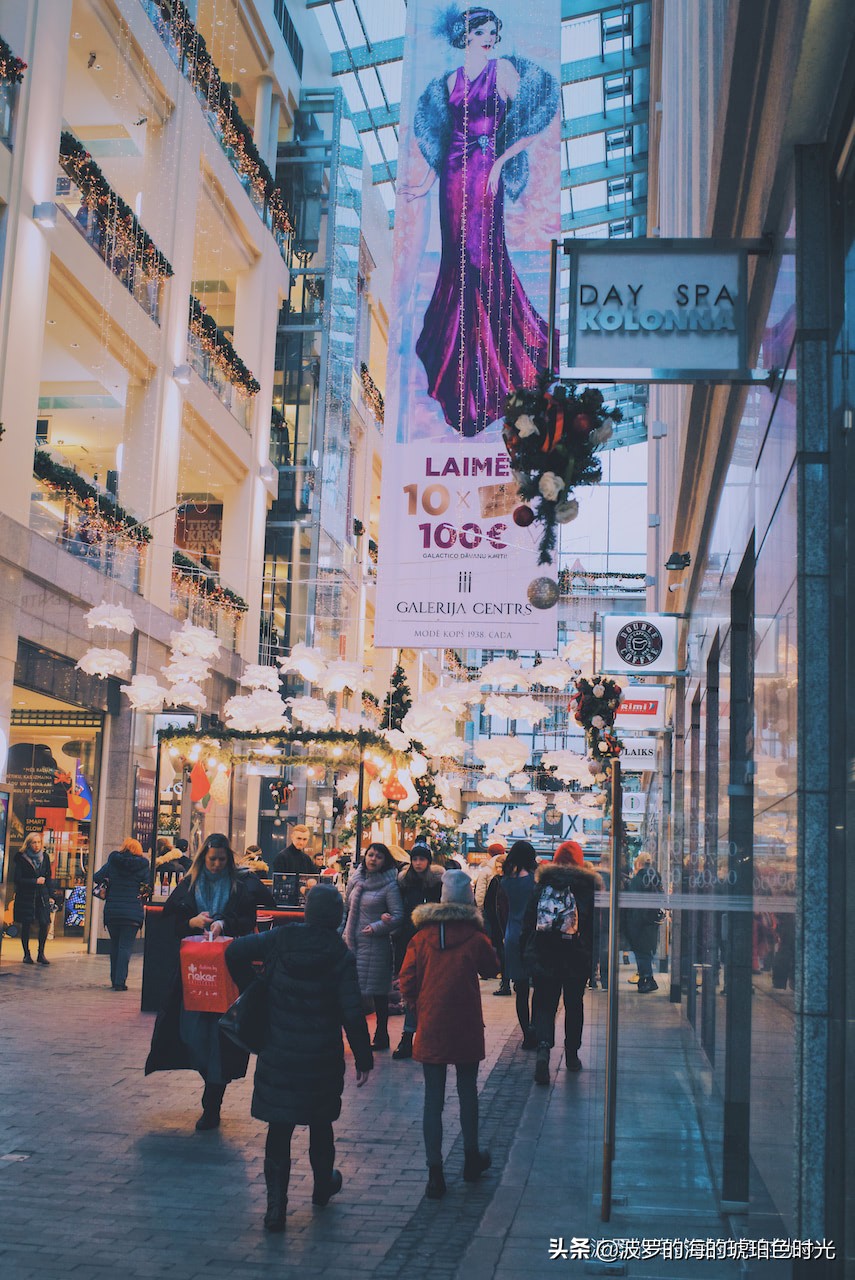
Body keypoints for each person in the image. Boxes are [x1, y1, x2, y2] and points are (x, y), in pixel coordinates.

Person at [401, 7, 559, 437]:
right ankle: (457, 359)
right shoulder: (449, 81)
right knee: (457, 256)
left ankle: (493, 364)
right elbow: (442, 139)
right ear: (466, 36)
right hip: (452, 177)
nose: (489, 38)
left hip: (486, 172)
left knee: (484, 256)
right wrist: (424, 183)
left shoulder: (503, 72)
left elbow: (531, 122)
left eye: (493, 32)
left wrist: (500, 162)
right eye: (482, 32)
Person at [226, 885, 373, 1232]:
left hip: (279, 1049)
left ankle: (276, 1206)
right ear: (337, 916)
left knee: (279, 1128)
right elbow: (353, 1012)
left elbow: (234, 951)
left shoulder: (281, 938)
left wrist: (255, 986)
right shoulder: (340, 954)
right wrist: (364, 1057)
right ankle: (323, 1186)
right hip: (321, 1053)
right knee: (321, 1124)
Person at [145, 833, 258, 1130]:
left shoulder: (239, 886)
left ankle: (212, 1103)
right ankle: (210, 1085)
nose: (217, 865)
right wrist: (192, 923)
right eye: (212, 859)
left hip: (229, 973)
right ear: (203, 858)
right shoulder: (190, 884)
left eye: (222, 859)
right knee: (194, 1034)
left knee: (221, 1039)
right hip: (194, 974)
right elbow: (171, 923)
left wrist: (225, 923)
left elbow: (248, 921)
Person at [398, 870, 500, 1199]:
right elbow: (491, 968)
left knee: (433, 1100)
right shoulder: (474, 937)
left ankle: (435, 1173)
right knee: (468, 1092)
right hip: (466, 1021)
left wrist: (419, 1006)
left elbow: (407, 979)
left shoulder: (421, 937)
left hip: (432, 1023)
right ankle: (471, 1158)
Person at [521, 841, 602, 1083]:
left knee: (545, 1003)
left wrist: (527, 953)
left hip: (545, 955)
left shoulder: (542, 885)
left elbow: (528, 922)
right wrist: (594, 959)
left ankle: (544, 1049)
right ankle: (572, 1054)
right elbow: (595, 928)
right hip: (576, 958)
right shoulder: (587, 888)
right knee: (574, 1005)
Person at [343, 843, 404, 1050]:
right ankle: (356, 1038)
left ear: (385, 860)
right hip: (352, 944)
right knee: (352, 994)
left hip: (375, 945)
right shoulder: (355, 880)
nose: (373, 859)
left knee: (379, 994)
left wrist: (377, 927)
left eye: (378, 856)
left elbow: (398, 916)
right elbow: (346, 909)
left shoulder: (390, 885)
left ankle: (381, 1035)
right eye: (370, 855)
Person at [391, 843, 443, 1059]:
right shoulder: (404, 883)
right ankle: (408, 1035)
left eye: (422, 859)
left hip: (430, 942)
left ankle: (423, 1034)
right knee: (410, 989)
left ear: (428, 861)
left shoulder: (435, 884)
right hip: (407, 940)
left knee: (428, 990)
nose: (418, 863)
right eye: (415, 859)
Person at [93, 838, 151, 990]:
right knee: (125, 947)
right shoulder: (143, 865)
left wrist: (109, 880)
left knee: (115, 946)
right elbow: (146, 889)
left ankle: (114, 980)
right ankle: (120, 981)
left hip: (113, 911)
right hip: (132, 912)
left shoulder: (113, 862)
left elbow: (96, 877)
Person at [500, 840, 540, 1047]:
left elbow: (501, 911)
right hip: (534, 936)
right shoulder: (535, 882)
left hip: (512, 935)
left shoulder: (505, 882)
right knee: (539, 987)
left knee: (521, 989)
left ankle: (526, 1033)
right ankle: (535, 1027)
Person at [623, 852, 663, 994]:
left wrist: (631, 924)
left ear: (638, 865)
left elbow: (633, 904)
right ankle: (646, 978)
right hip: (652, 921)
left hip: (638, 922)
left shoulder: (637, 880)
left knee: (641, 953)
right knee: (646, 951)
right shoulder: (657, 878)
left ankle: (648, 979)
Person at [13, 834, 53, 965]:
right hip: (26, 895)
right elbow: (17, 879)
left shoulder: (45, 857)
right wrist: (34, 881)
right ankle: (26, 954)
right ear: (28, 844)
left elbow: (49, 877)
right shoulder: (21, 858)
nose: (37, 845)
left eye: (39, 842)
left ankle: (41, 953)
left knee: (45, 922)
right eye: (34, 842)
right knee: (26, 924)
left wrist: (51, 895)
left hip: (42, 895)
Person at [484, 854, 511, 995]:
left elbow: (488, 903)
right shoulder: (504, 881)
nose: (500, 869)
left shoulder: (497, 881)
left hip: (501, 922)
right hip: (500, 922)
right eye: (498, 867)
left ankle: (506, 983)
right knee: (503, 952)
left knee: (503, 952)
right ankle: (506, 982)